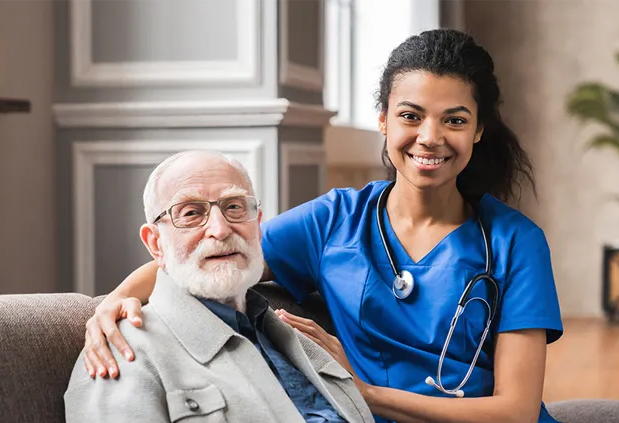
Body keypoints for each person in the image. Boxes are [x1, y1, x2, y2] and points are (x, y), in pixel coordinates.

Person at [80, 28, 563, 423]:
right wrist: (110, 305)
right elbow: (218, 250)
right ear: (384, 122)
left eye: (454, 120)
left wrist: (362, 394)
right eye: (410, 116)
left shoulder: (516, 242)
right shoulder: (333, 220)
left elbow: (516, 412)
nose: (429, 137)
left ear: (478, 129)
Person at [64, 150, 375, 423]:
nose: (220, 229)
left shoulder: (300, 339)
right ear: (155, 243)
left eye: (235, 207)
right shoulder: (122, 353)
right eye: (191, 213)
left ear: (258, 224)